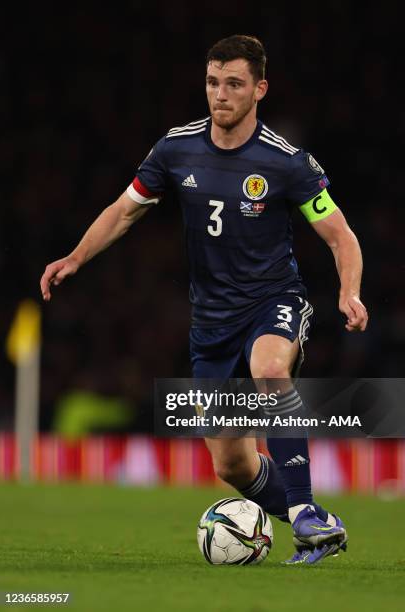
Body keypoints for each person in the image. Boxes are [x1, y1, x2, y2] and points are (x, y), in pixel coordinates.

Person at [40, 35, 368, 564]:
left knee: (269, 368)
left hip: (272, 300)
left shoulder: (287, 163)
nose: (221, 94)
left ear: (260, 89)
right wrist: (76, 257)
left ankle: (305, 511)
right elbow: (125, 210)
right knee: (233, 466)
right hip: (212, 324)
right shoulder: (176, 148)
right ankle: (320, 526)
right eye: (214, 82)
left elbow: (340, 236)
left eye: (234, 84)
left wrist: (348, 293)